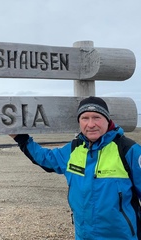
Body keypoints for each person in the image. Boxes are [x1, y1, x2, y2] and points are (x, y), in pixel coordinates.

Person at [10, 96, 141, 240]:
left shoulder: (129, 150)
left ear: (107, 120)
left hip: (122, 236)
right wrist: (20, 138)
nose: (90, 124)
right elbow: (46, 158)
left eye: (96, 117)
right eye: (85, 118)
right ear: (79, 122)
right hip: (83, 235)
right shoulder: (74, 149)